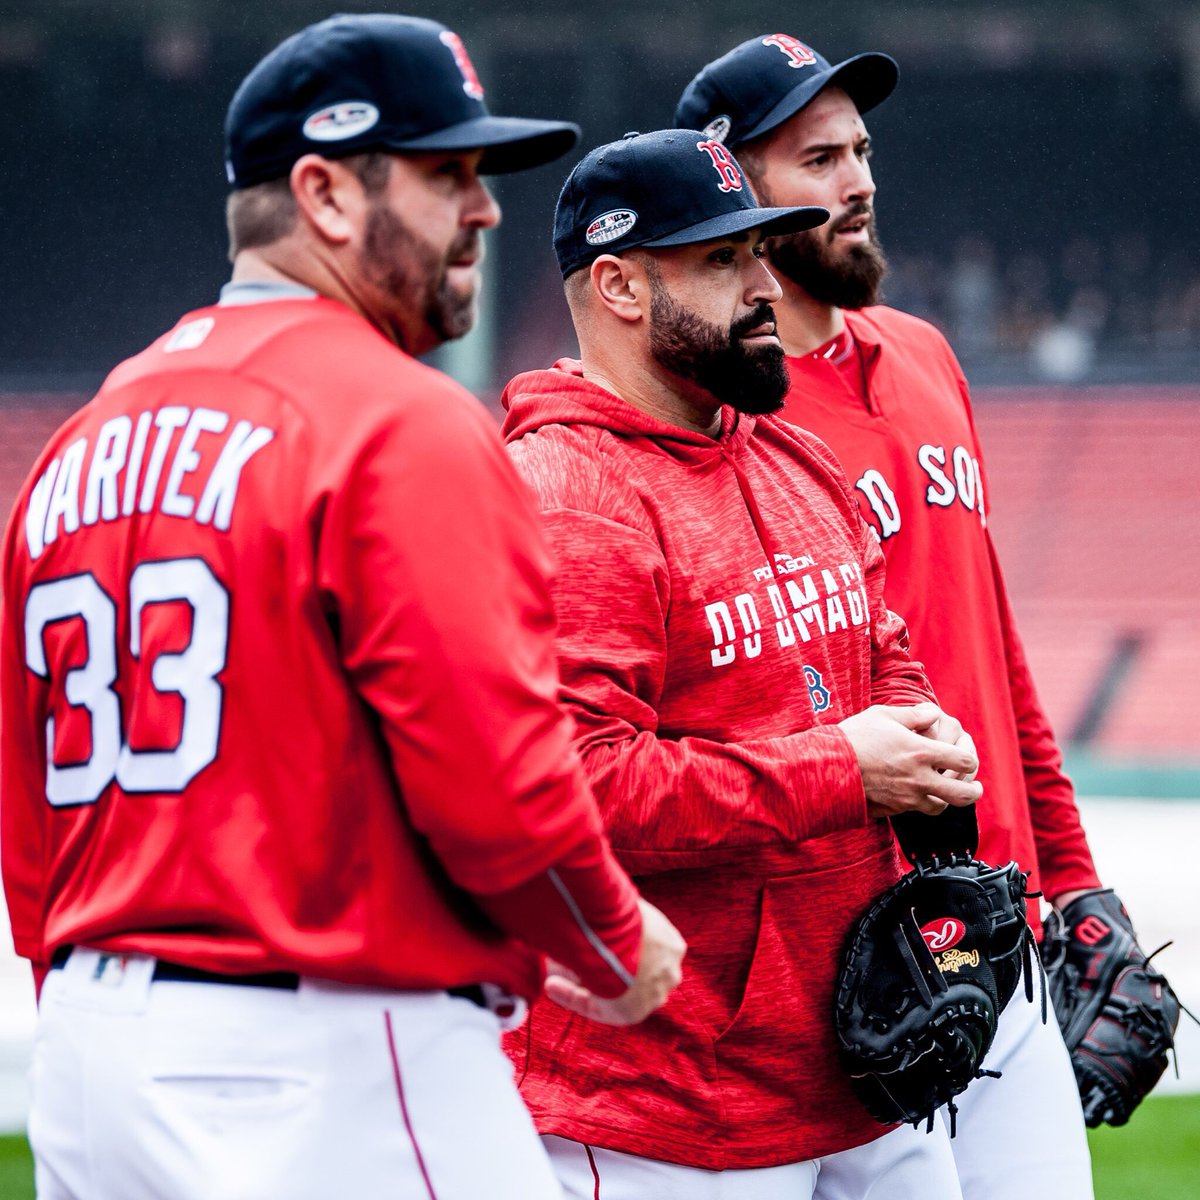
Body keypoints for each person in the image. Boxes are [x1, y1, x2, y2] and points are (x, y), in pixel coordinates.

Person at [0, 16, 685, 1200]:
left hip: (94, 1063)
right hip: (332, 1059)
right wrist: (615, 946)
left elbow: (28, 828)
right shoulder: (395, 420)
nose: (485, 211)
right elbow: (501, 787)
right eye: (446, 175)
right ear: (321, 193)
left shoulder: (77, 446)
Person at [501, 128, 984, 1199]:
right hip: (662, 1112)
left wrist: (921, 734)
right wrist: (841, 769)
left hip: (863, 1061)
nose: (765, 283)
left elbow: (878, 650)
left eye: (760, 251)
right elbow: (579, 787)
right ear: (620, 285)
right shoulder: (565, 496)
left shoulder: (788, 451)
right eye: (723, 260)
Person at [676, 34, 1101, 1198]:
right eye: (818, 158)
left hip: (996, 931)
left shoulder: (922, 354)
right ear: (730, 190)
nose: (860, 179)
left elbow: (990, 643)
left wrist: (1071, 875)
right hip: (854, 968)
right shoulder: (723, 412)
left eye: (862, 149)